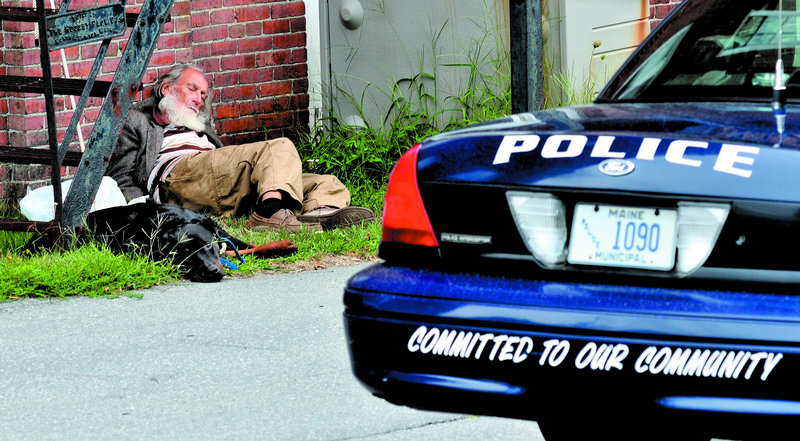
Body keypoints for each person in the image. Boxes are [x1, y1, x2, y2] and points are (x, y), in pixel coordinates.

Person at [106, 64, 374, 232]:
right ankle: (268, 214)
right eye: (193, 89)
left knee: (327, 182)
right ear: (166, 88)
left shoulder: (198, 126)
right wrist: (144, 212)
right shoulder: (137, 119)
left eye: (203, 96)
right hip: (178, 178)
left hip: (218, 180)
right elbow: (121, 177)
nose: (199, 100)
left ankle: (318, 214)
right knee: (279, 146)